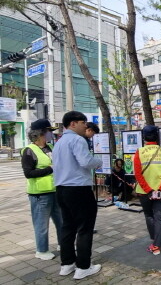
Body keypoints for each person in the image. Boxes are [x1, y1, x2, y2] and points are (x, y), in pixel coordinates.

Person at [53, 111, 103, 280]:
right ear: (73, 124)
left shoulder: (59, 142)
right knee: (84, 228)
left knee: (67, 227)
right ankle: (83, 266)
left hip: (61, 189)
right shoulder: (77, 139)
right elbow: (86, 161)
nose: (85, 126)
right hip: (79, 190)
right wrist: (99, 161)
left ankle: (67, 264)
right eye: (83, 122)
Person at [21, 119, 63, 260]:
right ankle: (42, 250)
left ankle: (63, 244)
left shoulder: (50, 147)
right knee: (41, 224)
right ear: (40, 133)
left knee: (61, 220)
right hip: (39, 195)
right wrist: (49, 169)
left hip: (55, 190)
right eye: (49, 131)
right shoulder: (29, 151)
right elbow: (28, 173)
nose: (52, 134)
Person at [134, 125, 161, 256]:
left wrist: (148, 190)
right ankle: (156, 243)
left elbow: (138, 174)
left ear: (143, 137)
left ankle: (154, 239)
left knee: (148, 215)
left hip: (144, 191)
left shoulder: (139, 152)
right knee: (159, 216)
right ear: (157, 136)